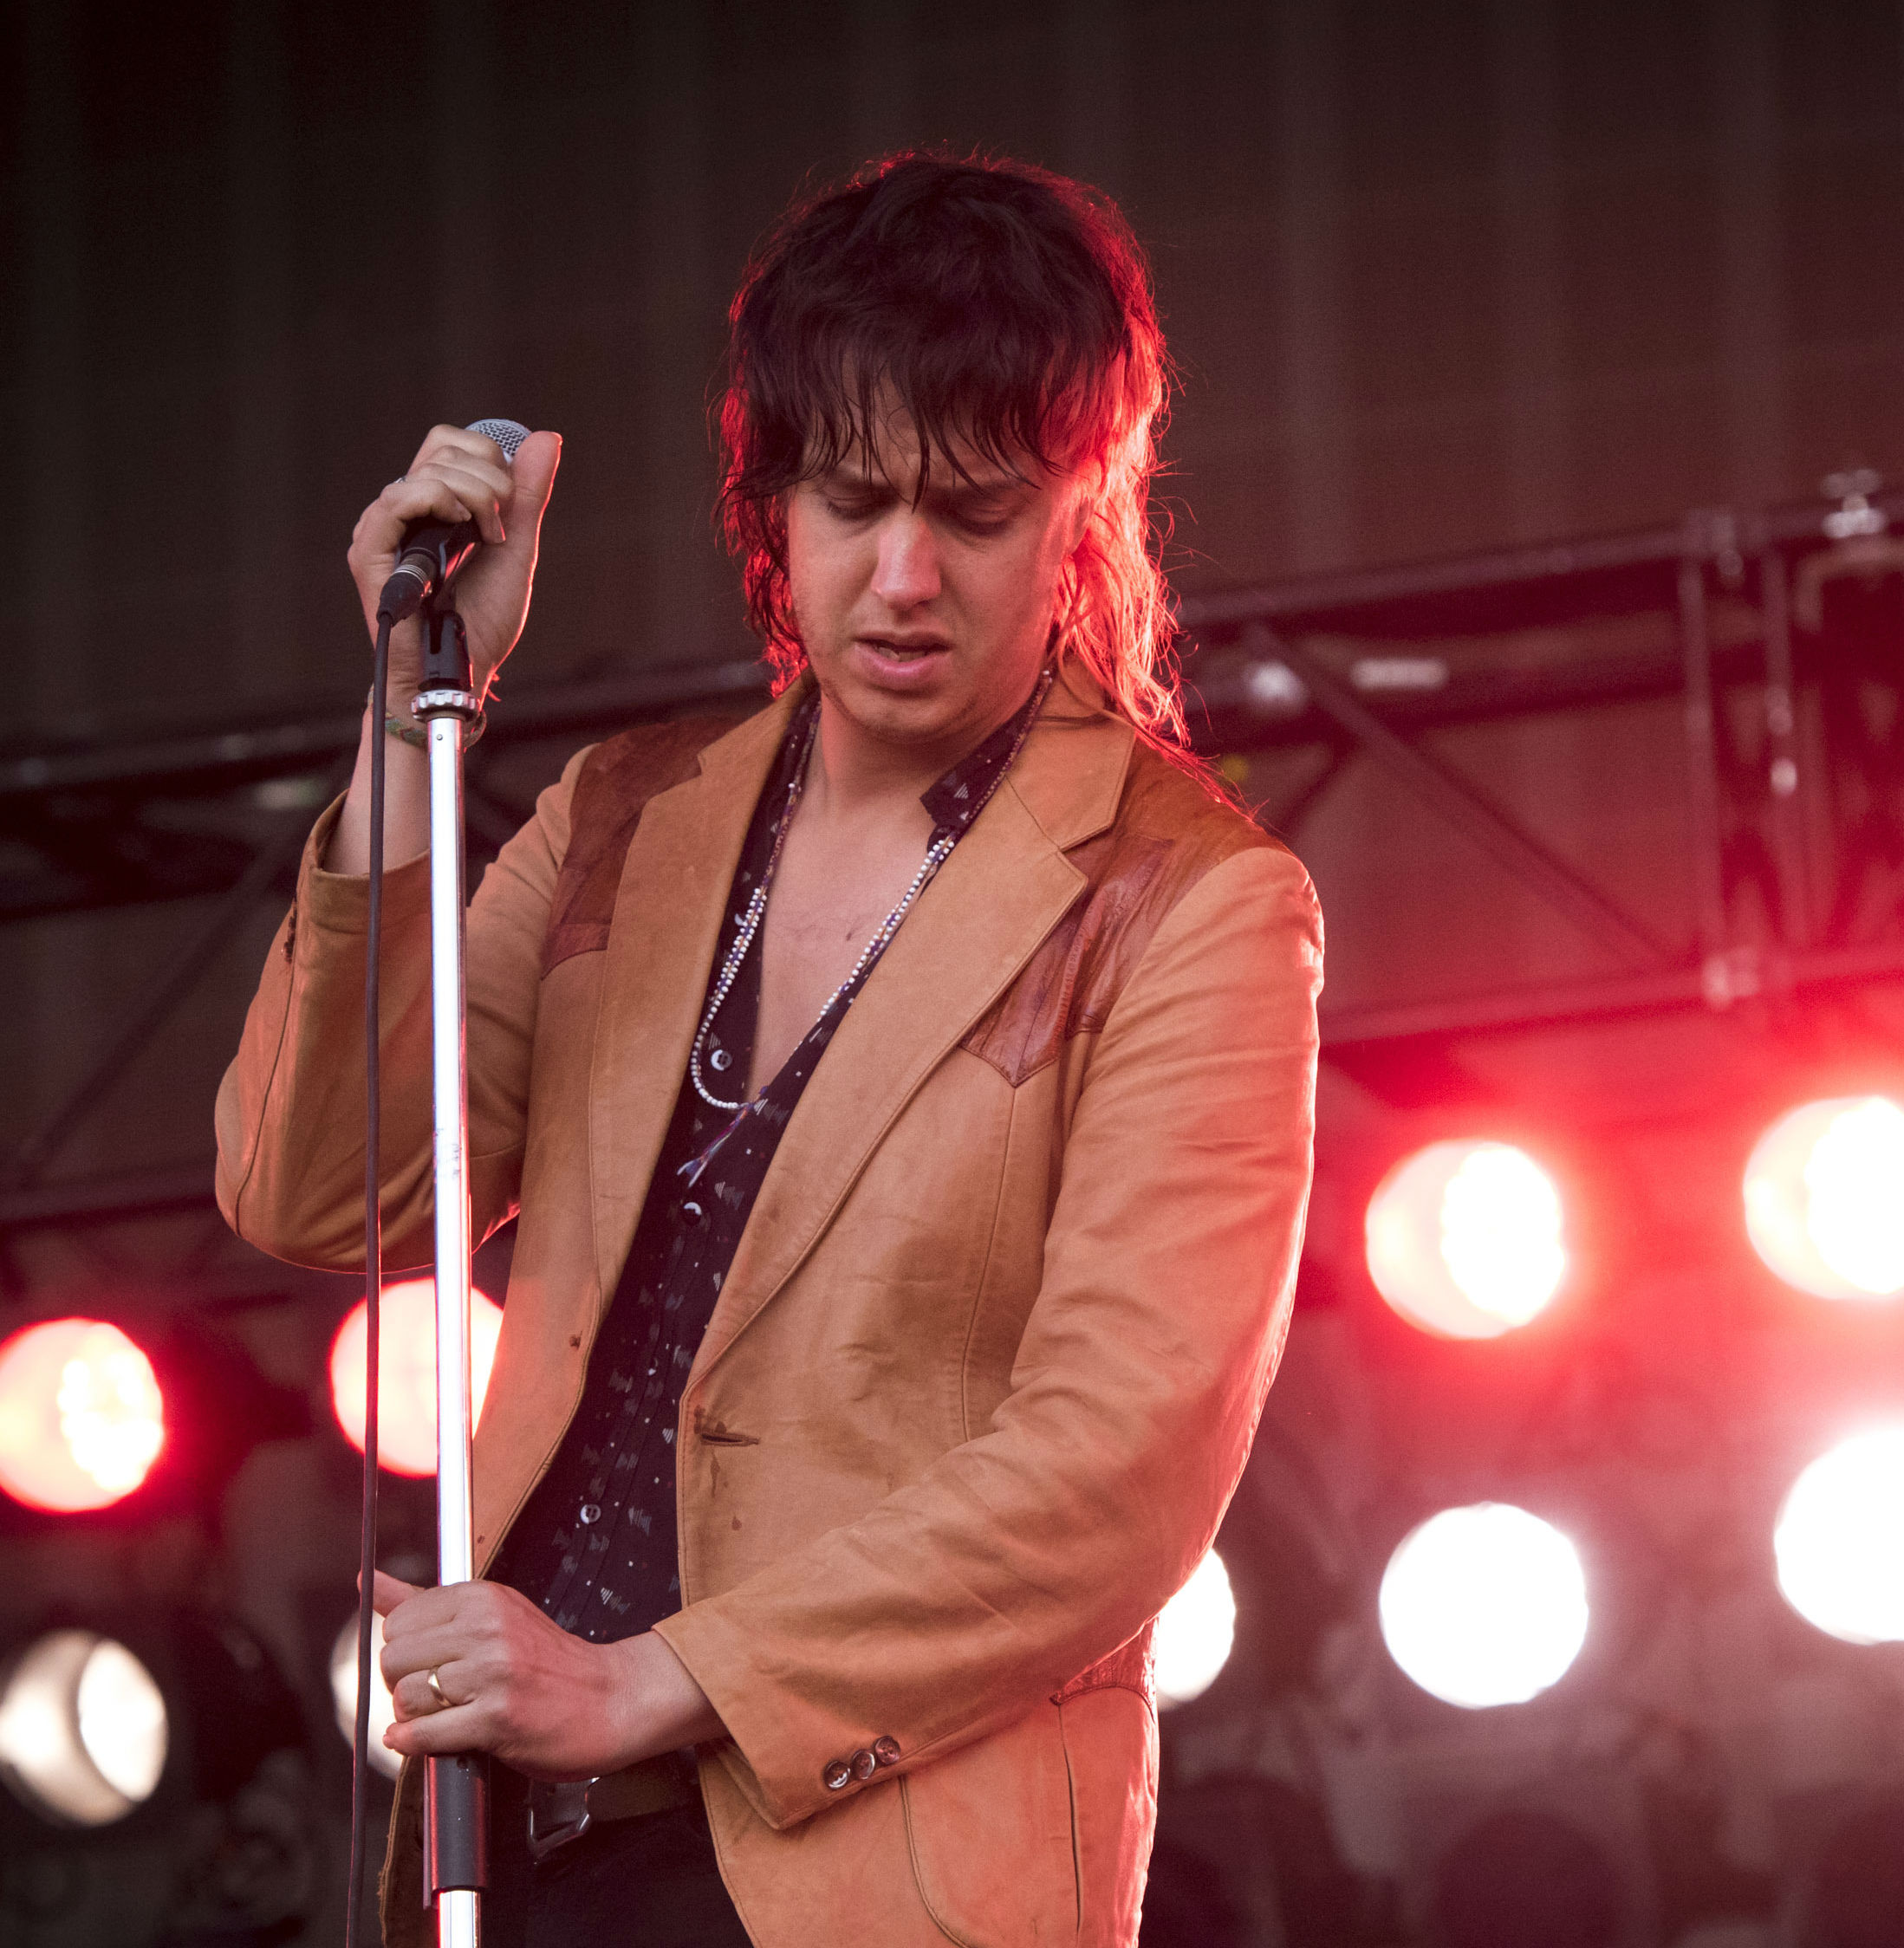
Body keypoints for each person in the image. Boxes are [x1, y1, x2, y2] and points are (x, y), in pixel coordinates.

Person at [215, 152, 1321, 1946]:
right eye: (854, 498)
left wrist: (651, 1680)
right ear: (770, 501)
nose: (902, 574)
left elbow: (1120, 1464)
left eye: (970, 510)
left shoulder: (1187, 898)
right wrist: (414, 710)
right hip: (510, 1851)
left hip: (863, 1876)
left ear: (1079, 513)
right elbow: (311, 1178)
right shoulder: (621, 819)